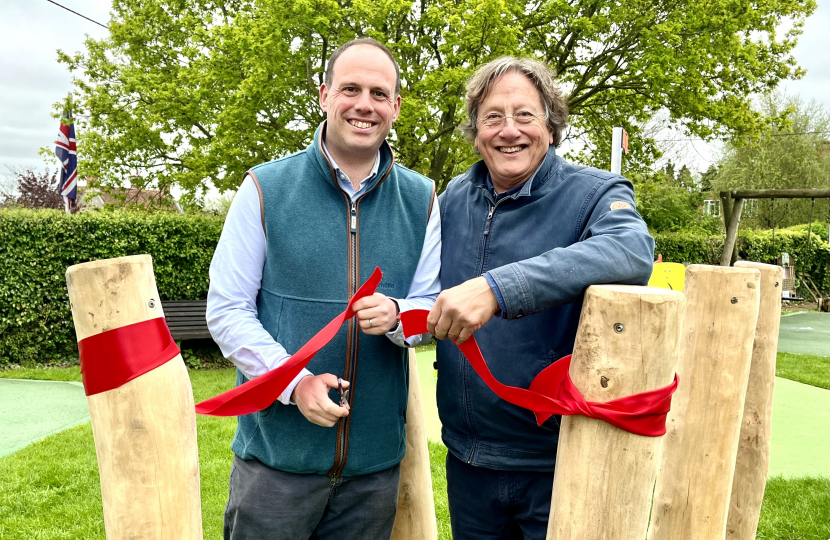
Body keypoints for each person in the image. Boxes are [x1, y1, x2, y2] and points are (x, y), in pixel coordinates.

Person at [206, 38, 440, 540]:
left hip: (372, 474)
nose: (364, 104)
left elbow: (431, 308)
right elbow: (227, 310)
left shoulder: (422, 198)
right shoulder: (265, 187)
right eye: (350, 88)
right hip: (276, 467)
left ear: (395, 107)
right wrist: (295, 383)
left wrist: (400, 315)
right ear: (324, 95)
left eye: (380, 93)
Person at [426, 57, 654, 539]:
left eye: (525, 115)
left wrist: (497, 288)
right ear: (475, 131)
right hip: (467, 458)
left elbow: (630, 251)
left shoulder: (596, 193)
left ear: (551, 126)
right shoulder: (452, 198)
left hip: (557, 460)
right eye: (493, 117)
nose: (509, 130)